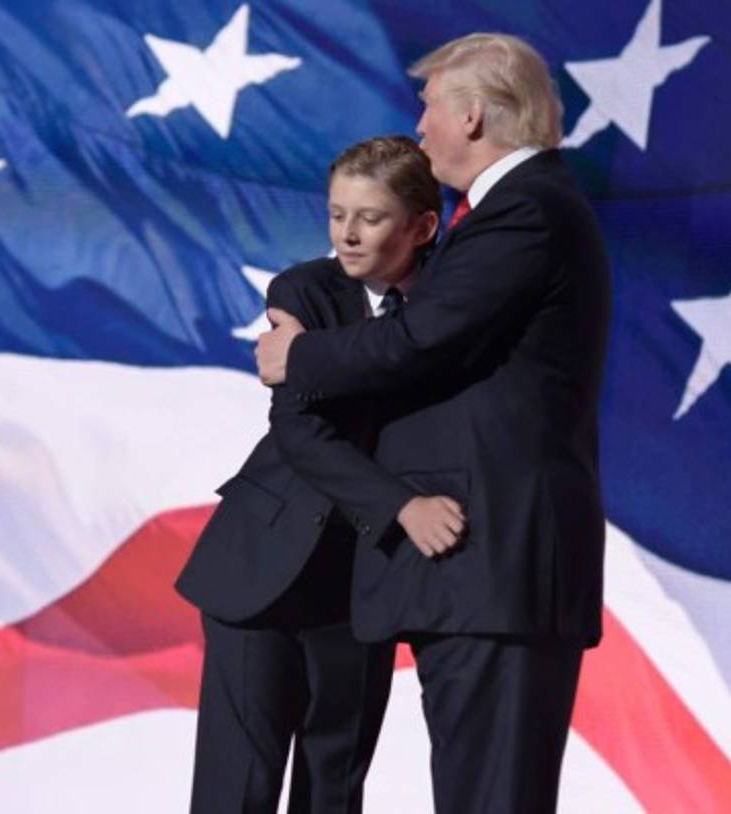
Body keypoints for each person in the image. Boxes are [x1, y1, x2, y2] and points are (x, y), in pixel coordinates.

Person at [256, 34, 611, 813]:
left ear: (473, 115)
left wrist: (300, 356)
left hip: (498, 566)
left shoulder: (528, 211)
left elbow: (423, 340)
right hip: (473, 573)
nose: (419, 128)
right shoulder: (507, 213)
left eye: (428, 108)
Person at [177, 135, 462, 813]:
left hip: (362, 588)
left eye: (370, 216)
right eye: (338, 214)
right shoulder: (304, 288)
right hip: (260, 576)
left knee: (334, 788)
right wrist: (402, 509)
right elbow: (300, 431)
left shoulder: (453, 306)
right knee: (236, 788)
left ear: (423, 227)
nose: (348, 234)